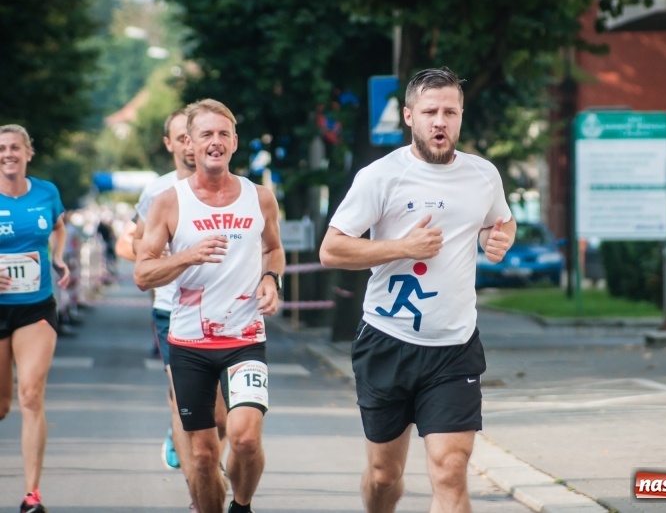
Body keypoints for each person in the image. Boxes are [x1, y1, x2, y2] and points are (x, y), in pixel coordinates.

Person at [319, 67, 516, 513]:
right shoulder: (381, 176)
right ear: (409, 116)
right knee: (385, 477)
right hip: (387, 341)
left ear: (462, 115)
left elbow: (499, 221)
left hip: (454, 346)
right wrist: (402, 247)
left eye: (450, 111)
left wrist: (500, 238)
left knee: (450, 468)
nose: (440, 122)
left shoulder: (483, 175)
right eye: (430, 112)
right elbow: (332, 249)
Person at [134, 98, 285, 513]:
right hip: (189, 344)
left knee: (246, 438)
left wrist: (271, 278)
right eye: (206, 135)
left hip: (245, 338)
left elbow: (273, 249)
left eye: (223, 134)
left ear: (234, 142)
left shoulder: (260, 198)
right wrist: (187, 256)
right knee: (201, 456)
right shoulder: (169, 201)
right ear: (190, 144)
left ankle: (243, 505)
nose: (215, 141)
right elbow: (143, 273)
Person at [115, 108, 229, 510]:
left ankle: (198, 447)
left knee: (221, 417)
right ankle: (199, 489)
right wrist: (158, 255)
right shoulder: (159, 192)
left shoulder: (231, 187)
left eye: (191, 136)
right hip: (172, 310)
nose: (188, 144)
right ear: (173, 144)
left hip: (224, 312)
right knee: (189, 411)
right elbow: (128, 244)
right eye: (181, 137)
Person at [0, 124, 71, 513]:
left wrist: (57, 257)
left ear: (28, 153)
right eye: (1, 148)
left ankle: (32, 495)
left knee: (30, 394)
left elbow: (58, 226)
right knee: (1, 406)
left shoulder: (46, 192)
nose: (7, 153)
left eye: (15, 147)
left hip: (35, 307)